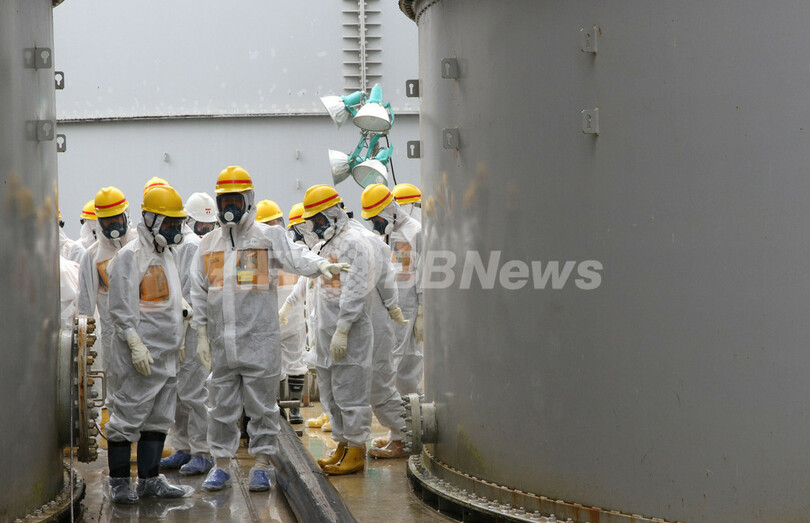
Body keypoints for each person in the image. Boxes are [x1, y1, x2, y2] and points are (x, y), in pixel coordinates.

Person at [191, 166, 349, 492]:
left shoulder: (267, 237)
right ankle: (221, 465)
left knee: (262, 408)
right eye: (224, 201)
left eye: (235, 200)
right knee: (220, 408)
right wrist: (202, 335)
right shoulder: (207, 245)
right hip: (222, 343)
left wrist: (320, 265)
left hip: (259, 341)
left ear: (248, 200)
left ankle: (261, 465)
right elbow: (198, 292)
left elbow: (296, 255)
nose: (229, 207)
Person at [104, 184, 194, 504]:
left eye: (178, 223)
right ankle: (118, 482)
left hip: (166, 353)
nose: (174, 230)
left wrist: (180, 330)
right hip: (139, 356)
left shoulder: (167, 254)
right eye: (169, 223)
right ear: (151, 220)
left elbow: (168, 298)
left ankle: (150, 480)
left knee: (159, 418)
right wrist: (134, 343)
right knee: (127, 417)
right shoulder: (130, 255)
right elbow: (120, 307)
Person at [300, 184, 376, 475]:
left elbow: (355, 290)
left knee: (350, 392)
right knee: (331, 394)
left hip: (349, 333)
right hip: (326, 332)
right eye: (312, 221)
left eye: (318, 219)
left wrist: (343, 329)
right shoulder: (326, 244)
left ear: (333, 214)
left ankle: (356, 449)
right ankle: (342, 445)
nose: (315, 226)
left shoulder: (353, 242)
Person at [345, 207, 411, 459]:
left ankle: (405, 436)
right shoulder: (344, 242)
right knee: (373, 385)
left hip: (375, 323)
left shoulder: (365, 241)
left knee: (380, 385)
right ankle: (398, 433)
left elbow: (387, 282)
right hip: (363, 323)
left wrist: (395, 309)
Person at [160, 193, 215, 476]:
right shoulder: (177, 246)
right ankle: (183, 446)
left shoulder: (191, 245)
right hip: (177, 327)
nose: (205, 230)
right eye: (202, 225)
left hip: (191, 328)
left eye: (209, 225)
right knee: (179, 392)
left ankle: (202, 451)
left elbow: (193, 292)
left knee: (193, 392)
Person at [361, 184, 425, 431]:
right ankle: (407, 432)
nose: (375, 225)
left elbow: (425, 273)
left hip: (409, 309)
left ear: (390, 211)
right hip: (392, 310)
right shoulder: (387, 235)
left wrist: (422, 312)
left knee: (403, 370)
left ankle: (411, 430)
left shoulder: (415, 232)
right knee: (397, 370)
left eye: (376, 219)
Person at [78, 187, 138, 422]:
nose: (114, 225)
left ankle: (145, 436)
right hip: (113, 335)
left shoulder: (139, 244)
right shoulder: (93, 256)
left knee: (146, 385)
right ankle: (120, 435)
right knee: (117, 388)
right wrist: (86, 342)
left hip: (144, 329)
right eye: (107, 221)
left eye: (117, 219)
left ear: (126, 216)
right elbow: (85, 305)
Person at [259, 199, 309, 425]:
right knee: (275, 365)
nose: (274, 227)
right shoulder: (258, 252)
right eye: (269, 223)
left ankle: (295, 409)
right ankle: (279, 406)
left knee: (294, 362)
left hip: (291, 314)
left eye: (275, 222)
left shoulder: (292, 248)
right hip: (272, 315)